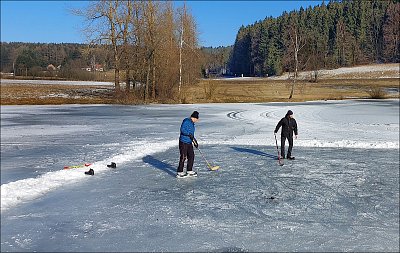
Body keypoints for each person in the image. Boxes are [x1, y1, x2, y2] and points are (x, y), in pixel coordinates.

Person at [177, 111, 199, 178]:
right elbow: (182, 130)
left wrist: (194, 141)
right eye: (197, 119)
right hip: (183, 141)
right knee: (183, 156)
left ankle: (189, 170)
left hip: (189, 142)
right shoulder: (186, 121)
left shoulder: (192, 123)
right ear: (194, 117)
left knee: (191, 156)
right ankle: (180, 172)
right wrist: (189, 134)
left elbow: (191, 134)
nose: (197, 120)